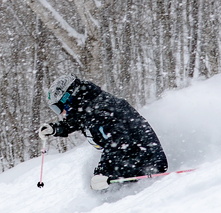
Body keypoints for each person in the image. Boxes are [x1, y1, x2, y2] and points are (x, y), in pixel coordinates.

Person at [38, 74, 168, 190]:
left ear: (69, 97)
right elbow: (78, 121)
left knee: (100, 187)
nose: (61, 113)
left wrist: (103, 172)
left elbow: (117, 143)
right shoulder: (88, 106)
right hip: (133, 159)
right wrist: (55, 129)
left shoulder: (99, 111)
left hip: (145, 165)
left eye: (59, 108)